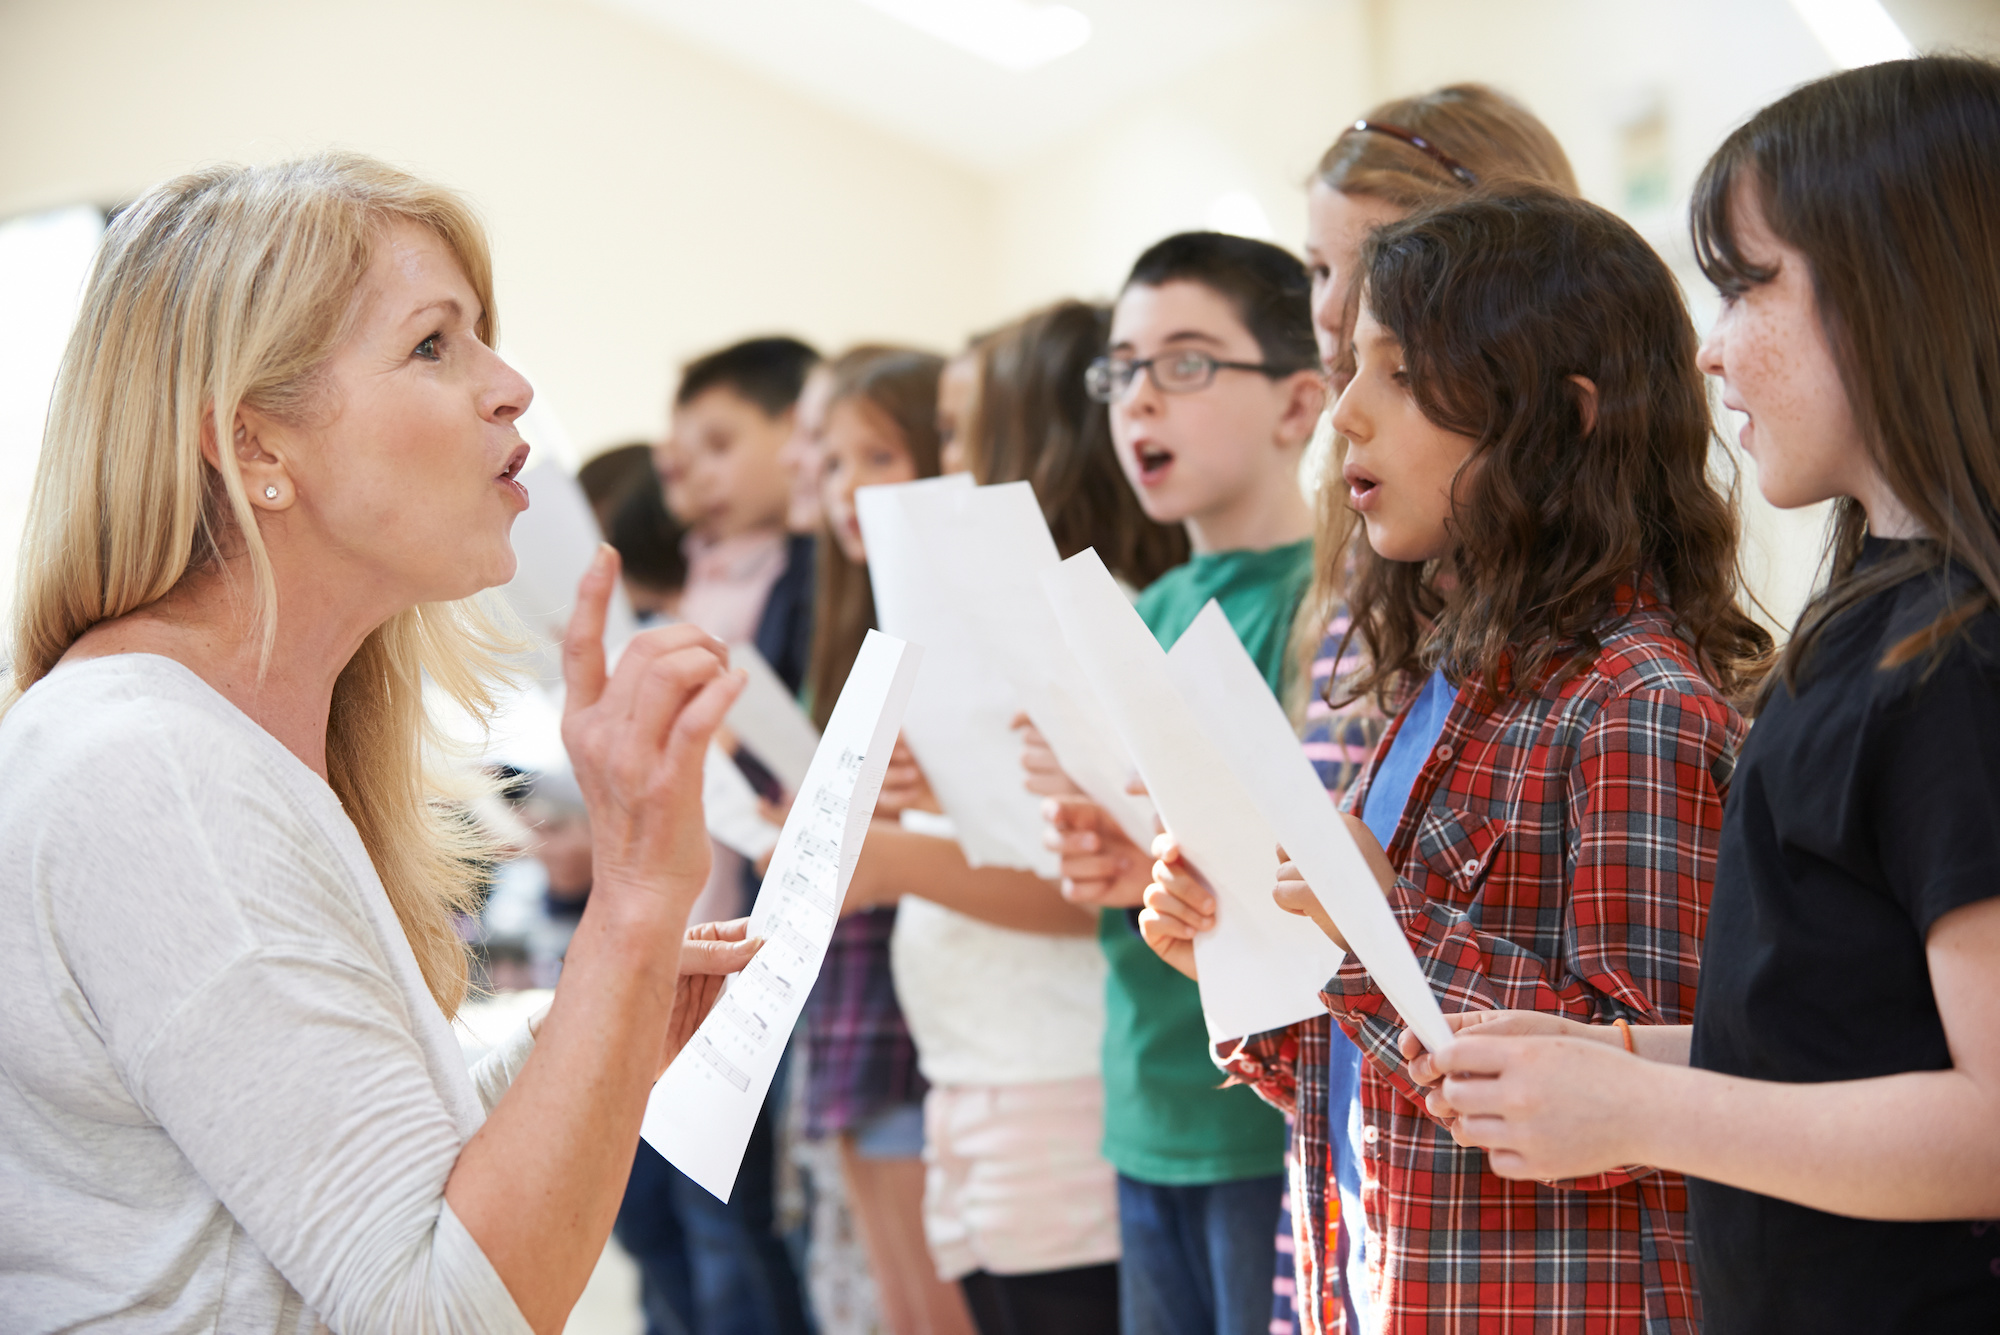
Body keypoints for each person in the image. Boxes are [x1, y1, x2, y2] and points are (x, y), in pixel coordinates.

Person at [0, 152, 758, 1334]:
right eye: (432, 344)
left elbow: (375, 1169)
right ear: (254, 448)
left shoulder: (203, 744)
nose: (509, 386)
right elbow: (435, 1313)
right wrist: (632, 905)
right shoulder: (155, 774)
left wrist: (604, 1018)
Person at [1417, 56, 2000, 1335]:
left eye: (1745, 286)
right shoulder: (1871, 616)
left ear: (1895, 282)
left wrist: (1641, 1112)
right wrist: (1617, 1059)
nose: (1707, 345)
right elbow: (1835, 1046)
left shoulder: (1957, 656)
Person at [1147, 185, 1774, 1332]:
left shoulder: (1635, 706)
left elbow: (1658, 1117)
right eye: (1350, 370)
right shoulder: (1440, 688)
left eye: (1394, 373)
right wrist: (1242, 951)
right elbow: (1383, 1072)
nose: (1346, 413)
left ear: (1557, 415)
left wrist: (1378, 927)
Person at [1214, 87, 1582, 1335]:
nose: (1324, 315)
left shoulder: (1610, 686)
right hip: (1367, 1186)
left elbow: (1622, 1059)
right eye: (1318, 272)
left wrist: (1364, 922)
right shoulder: (1386, 565)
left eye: (1364, 272)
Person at [840, 300, 1186, 1335]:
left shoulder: (1091, 622)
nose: (939, 467)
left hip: (1053, 1076)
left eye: (956, 434)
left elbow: (1093, 888)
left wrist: (900, 858)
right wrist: (936, 794)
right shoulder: (999, 632)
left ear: (1029, 440)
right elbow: (1011, 823)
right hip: (978, 1072)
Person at [1028, 232, 1326, 1335]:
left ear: (1297, 406)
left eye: (1186, 363)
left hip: (1263, 1116)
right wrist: (1102, 852)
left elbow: (1312, 867)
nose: (1139, 399)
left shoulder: (1330, 606)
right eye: (1122, 369)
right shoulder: (1139, 616)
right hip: (1145, 1095)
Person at [621, 336, 820, 1335]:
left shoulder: (805, 576)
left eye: (716, 444)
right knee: (700, 1227)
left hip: (765, 945)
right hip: (700, 930)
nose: (693, 479)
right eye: (675, 463)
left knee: (749, 1235)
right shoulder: (702, 583)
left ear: (796, 431)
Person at [803, 346, 979, 1335]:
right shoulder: (858, 635)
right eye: (833, 462)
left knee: (941, 1302)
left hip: (935, 1014)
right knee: (898, 1305)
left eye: (879, 454)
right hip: (860, 992)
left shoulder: (962, 629)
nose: (847, 489)